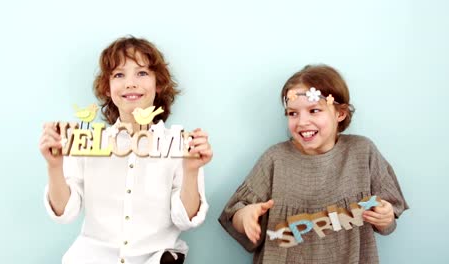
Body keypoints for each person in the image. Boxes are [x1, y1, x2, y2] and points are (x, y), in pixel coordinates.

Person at [39, 36, 212, 264]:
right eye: (119, 75)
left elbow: (186, 219)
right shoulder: (87, 143)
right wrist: (54, 166)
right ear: (108, 89)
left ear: (158, 84)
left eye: (142, 73)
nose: (130, 83)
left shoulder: (180, 145)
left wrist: (191, 171)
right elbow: (65, 213)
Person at [218, 64, 408, 264]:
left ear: (340, 113)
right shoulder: (275, 159)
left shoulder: (362, 152)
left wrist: (385, 218)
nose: (302, 122)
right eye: (293, 113)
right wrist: (245, 216)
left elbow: (389, 217)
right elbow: (235, 214)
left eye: (314, 110)